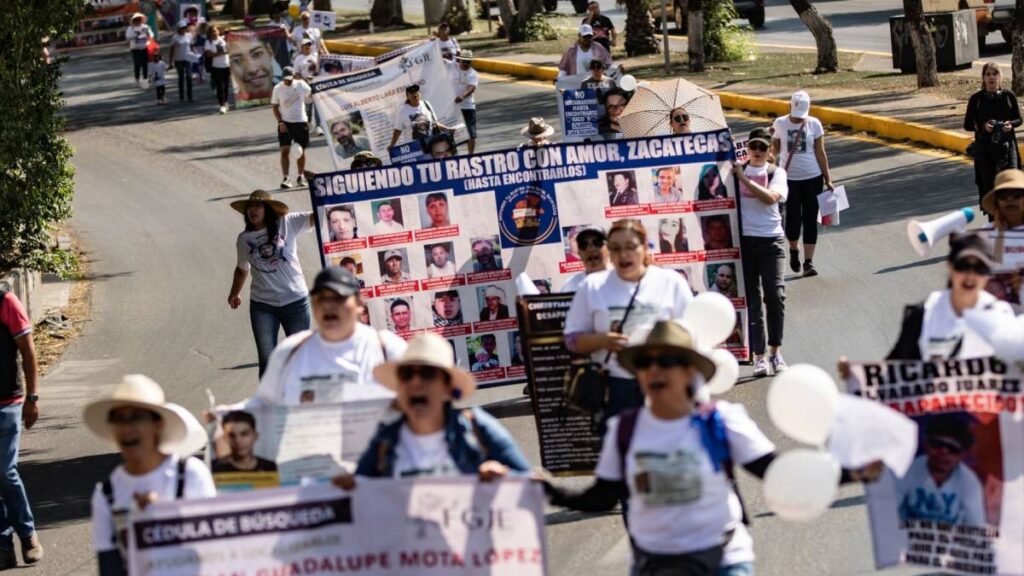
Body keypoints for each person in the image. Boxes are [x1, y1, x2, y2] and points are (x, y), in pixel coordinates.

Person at [544, 321, 882, 576]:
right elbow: (603, 497)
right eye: (646, 363)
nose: (655, 371)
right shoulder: (625, 430)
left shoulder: (720, 420)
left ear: (689, 371)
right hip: (654, 566)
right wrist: (548, 491)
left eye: (667, 362)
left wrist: (853, 473)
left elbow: (774, 471)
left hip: (723, 562)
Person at [332, 333, 529, 482]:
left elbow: (534, 486)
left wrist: (505, 477)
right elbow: (359, 498)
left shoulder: (477, 428)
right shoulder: (385, 441)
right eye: (407, 374)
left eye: (427, 374)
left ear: (447, 387)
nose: (415, 383)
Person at [564, 219, 694, 424]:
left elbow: (693, 335)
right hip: (616, 387)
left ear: (644, 247)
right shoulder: (591, 286)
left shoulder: (671, 282)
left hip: (666, 383)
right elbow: (572, 340)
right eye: (616, 248)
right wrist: (603, 341)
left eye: (630, 247)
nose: (623, 254)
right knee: (624, 451)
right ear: (610, 252)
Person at [88, 375, 215, 574]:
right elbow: (109, 566)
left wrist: (162, 514)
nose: (127, 429)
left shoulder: (190, 474)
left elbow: (215, 549)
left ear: (158, 424)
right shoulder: (106, 494)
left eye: (136, 418)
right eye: (118, 419)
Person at [231, 267, 407, 409]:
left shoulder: (386, 348)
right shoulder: (289, 352)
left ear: (359, 304)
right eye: (321, 299)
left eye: (338, 299)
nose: (329, 306)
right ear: (313, 305)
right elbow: (264, 403)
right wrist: (227, 415)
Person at [227, 190, 315, 378]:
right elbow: (242, 268)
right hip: (263, 306)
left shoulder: (287, 223)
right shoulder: (244, 239)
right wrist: (234, 293)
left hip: (296, 302)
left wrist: (318, 188)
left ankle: (299, 402)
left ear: (268, 209)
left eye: (258, 206)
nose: (253, 210)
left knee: (300, 357)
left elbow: (319, 216)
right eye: (250, 206)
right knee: (267, 360)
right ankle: (269, 404)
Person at [887, 233, 1015, 359]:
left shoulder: (1001, 315)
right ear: (950, 265)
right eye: (963, 266)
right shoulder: (924, 314)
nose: (970, 275)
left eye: (980, 268)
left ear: (989, 273)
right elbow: (894, 369)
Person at [734, 126, 790, 378]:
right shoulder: (735, 171)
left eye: (762, 147)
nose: (756, 151)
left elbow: (771, 198)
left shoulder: (776, 173)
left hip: (771, 241)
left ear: (770, 151)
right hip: (745, 242)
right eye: (752, 146)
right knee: (753, 300)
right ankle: (759, 356)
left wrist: (744, 180)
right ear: (747, 148)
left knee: (775, 296)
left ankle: (775, 351)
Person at [771, 90, 835, 277]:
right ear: (789, 107)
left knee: (809, 220)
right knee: (792, 219)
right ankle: (793, 249)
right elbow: (774, 149)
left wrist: (828, 178)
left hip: (813, 178)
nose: (798, 119)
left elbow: (820, 152)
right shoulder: (780, 123)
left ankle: (809, 262)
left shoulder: (815, 124)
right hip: (788, 179)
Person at [0, 289, 42, 568]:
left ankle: (27, 534)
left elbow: (28, 351)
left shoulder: (6, 302)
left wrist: (32, 398)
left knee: (4, 470)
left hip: (8, 402)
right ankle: (3, 544)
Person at [897, 414, 985, 526]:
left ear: (963, 455)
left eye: (953, 449)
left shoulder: (969, 482)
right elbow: (888, 511)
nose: (943, 454)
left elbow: (976, 527)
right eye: (937, 445)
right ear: (926, 443)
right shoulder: (907, 469)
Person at [964, 62, 1022, 219]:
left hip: (1007, 148)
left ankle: (1014, 223)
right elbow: (968, 124)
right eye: (988, 74)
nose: (991, 77)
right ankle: (995, 224)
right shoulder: (977, 99)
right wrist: (984, 127)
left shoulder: (1008, 96)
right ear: (983, 78)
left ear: (1000, 77)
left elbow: (1019, 119)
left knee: (1011, 186)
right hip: (985, 151)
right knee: (989, 189)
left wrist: (1010, 125)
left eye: (994, 74)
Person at [271, 66, 312, 189]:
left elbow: (312, 93)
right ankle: (286, 178)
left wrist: (305, 79)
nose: (289, 81)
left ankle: (301, 176)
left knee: (300, 151)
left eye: (291, 78)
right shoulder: (278, 89)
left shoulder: (300, 84)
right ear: (283, 78)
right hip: (286, 123)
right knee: (285, 151)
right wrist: (280, 122)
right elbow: (275, 107)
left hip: (301, 122)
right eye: (286, 79)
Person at [211, 411, 278, 473]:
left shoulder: (270, 467)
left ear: (255, 436)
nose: (238, 440)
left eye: (244, 434)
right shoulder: (214, 467)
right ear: (224, 438)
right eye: (231, 435)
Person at [226, 30, 277, 106]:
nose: (252, 70)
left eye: (257, 54)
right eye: (237, 60)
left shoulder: (288, 90)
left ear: (270, 52)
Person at [562, 226, 611, 292]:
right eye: (583, 245)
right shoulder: (570, 286)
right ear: (579, 253)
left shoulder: (622, 281)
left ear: (609, 247)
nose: (590, 248)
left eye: (597, 242)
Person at [452, 51, 478, 154]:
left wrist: (462, 96)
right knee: (452, 132)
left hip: (468, 106)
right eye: (464, 61)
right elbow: (438, 58)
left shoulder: (473, 73)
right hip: (453, 107)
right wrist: (434, 41)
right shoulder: (452, 66)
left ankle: (470, 156)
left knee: (471, 133)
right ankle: (453, 154)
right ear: (459, 60)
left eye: (468, 62)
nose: (466, 64)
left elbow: (472, 87)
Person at [204, 26, 231, 114]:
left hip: (226, 65)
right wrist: (221, 53)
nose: (214, 33)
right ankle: (222, 105)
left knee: (226, 85)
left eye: (215, 31)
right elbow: (209, 54)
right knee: (220, 86)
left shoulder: (223, 39)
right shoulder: (208, 42)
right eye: (212, 31)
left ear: (219, 31)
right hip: (216, 67)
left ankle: (226, 102)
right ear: (210, 33)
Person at [126, 13, 153, 86]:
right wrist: (136, 35)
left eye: (139, 19)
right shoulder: (131, 28)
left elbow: (151, 35)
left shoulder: (145, 27)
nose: (138, 21)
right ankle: (137, 79)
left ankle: (145, 79)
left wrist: (148, 34)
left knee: (145, 65)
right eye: (136, 20)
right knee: (137, 64)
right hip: (135, 49)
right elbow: (128, 37)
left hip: (144, 47)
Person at [170, 20, 194, 103]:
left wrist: (194, 56)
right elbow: (172, 50)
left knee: (189, 76)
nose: (183, 29)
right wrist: (170, 62)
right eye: (181, 28)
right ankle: (181, 96)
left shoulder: (189, 36)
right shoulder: (175, 37)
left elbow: (191, 46)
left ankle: (190, 96)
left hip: (188, 58)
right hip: (178, 60)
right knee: (181, 77)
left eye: (184, 28)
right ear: (178, 29)